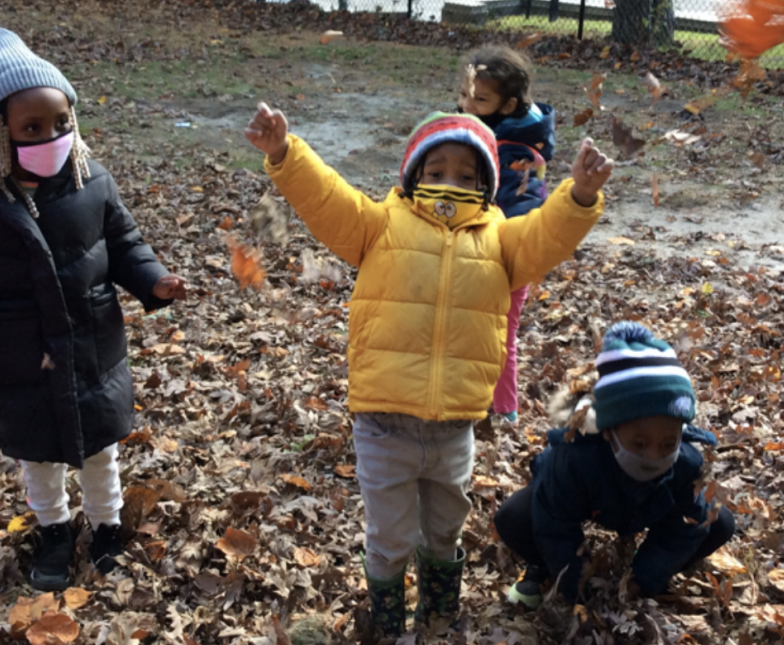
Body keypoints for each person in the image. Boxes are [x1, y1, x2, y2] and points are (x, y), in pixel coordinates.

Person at [245, 105, 613, 636]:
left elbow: (547, 236)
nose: (449, 183)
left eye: (467, 175)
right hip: (383, 422)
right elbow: (327, 201)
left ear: (486, 186)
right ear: (414, 175)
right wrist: (285, 152)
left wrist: (578, 195)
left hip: (454, 425)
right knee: (390, 535)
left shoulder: (500, 239)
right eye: (436, 170)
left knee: (445, 528)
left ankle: (439, 613)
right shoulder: (380, 225)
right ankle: (389, 620)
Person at [0, 28, 187, 591]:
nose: (51, 136)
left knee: (100, 451)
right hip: (17, 359)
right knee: (38, 457)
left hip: (92, 350)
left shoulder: (91, 180)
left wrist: (153, 281)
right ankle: (54, 529)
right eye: (31, 128)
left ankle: (107, 526)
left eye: (61, 123)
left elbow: (124, 243)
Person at [493, 322, 736, 608]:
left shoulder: (687, 464)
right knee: (514, 516)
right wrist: (577, 588)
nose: (653, 456)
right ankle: (541, 568)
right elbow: (555, 526)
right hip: (588, 492)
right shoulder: (574, 458)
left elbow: (688, 525)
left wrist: (642, 579)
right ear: (608, 431)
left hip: (644, 505)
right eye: (640, 444)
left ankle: (651, 568)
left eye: (668, 443)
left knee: (719, 522)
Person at [456, 45, 557, 426]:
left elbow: (524, 208)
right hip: (473, 250)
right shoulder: (479, 128)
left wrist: (509, 255)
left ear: (508, 103)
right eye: (464, 95)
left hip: (507, 255)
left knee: (501, 334)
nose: (467, 105)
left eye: (480, 99)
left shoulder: (517, 151)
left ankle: (504, 411)